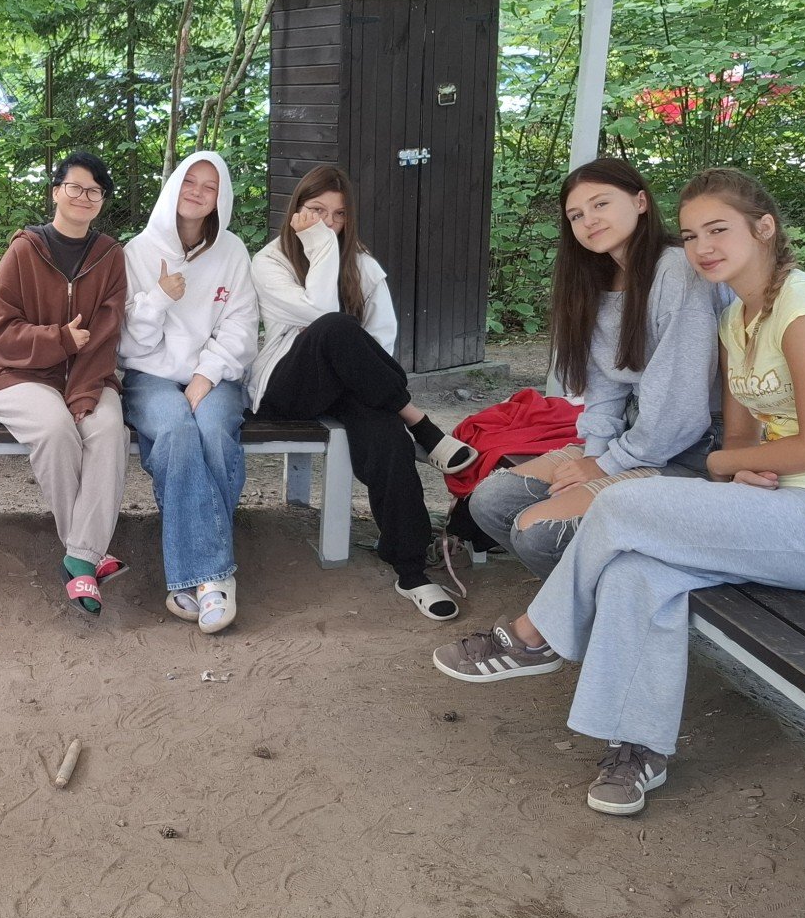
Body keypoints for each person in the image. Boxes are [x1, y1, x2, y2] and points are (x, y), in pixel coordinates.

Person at [430, 168, 805, 815]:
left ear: (764, 228)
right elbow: (740, 438)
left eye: (718, 230)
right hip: (780, 509)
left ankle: (534, 635)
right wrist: (737, 464)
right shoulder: (739, 321)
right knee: (636, 569)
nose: (702, 247)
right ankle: (638, 750)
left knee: (620, 503)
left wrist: (724, 462)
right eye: (692, 234)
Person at [437, 160, 723, 679]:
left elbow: (680, 408)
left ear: (640, 201)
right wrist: (594, 452)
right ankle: (594, 619)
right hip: (639, 439)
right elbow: (607, 388)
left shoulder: (676, 272)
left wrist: (606, 466)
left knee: (541, 533)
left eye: (600, 204)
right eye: (575, 215)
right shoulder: (598, 280)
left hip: (694, 449)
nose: (588, 220)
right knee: (492, 500)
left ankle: (569, 634)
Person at [249, 165, 475, 621]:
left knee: (387, 439)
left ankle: (410, 569)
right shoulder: (270, 260)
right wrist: (319, 246)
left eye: (339, 215)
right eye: (317, 211)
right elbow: (321, 313)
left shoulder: (364, 265)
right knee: (336, 326)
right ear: (296, 210)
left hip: (350, 385)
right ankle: (422, 426)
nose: (328, 223)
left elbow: (380, 341)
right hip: (286, 386)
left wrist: (357, 368)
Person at [0, 150, 130, 614]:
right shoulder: (25, 250)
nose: (84, 197)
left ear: (101, 201)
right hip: (18, 373)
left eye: (94, 191)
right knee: (55, 429)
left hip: (88, 374)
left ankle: (79, 556)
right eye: (75, 187)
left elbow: (106, 333)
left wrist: (83, 391)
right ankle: (86, 556)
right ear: (56, 192)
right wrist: (59, 339)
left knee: (109, 430)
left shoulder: (110, 256)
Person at [118, 151, 258, 634]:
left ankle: (195, 578)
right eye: (189, 182)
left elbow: (241, 324)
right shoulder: (137, 252)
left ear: (221, 198)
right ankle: (214, 579)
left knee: (215, 431)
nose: (197, 192)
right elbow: (130, 343)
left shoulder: (232, 251)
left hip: (215, 374)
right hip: (150, 376)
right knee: (177, 433)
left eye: (209, 186)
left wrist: (206, 374)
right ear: (174, 185)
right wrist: (159, 299)